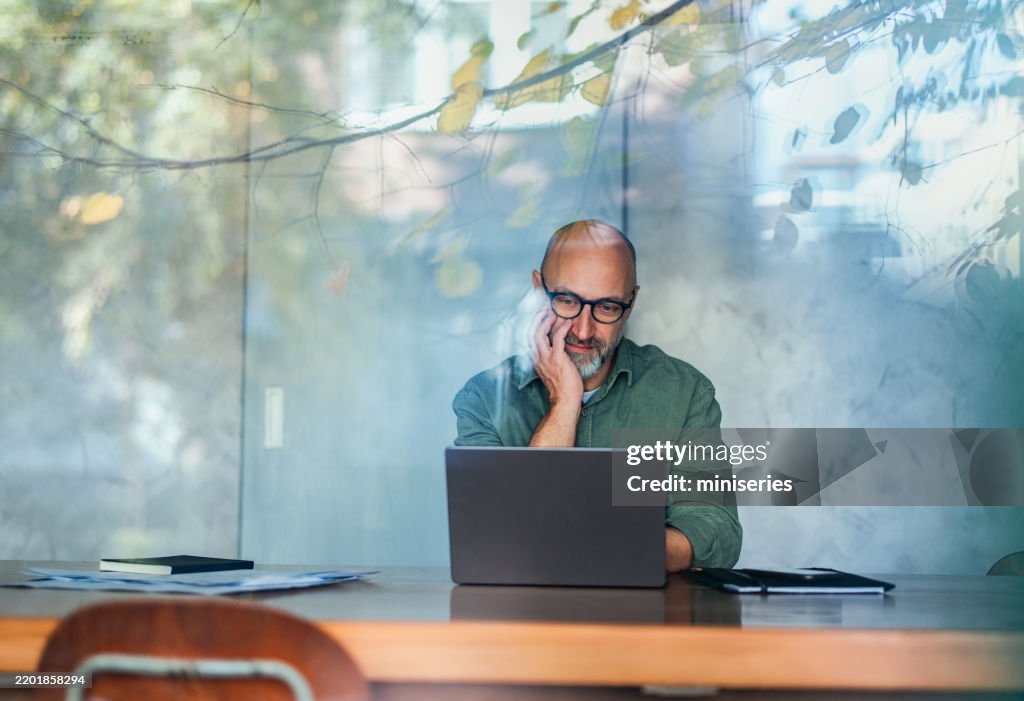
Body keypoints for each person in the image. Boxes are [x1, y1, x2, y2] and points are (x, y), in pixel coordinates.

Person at [452, 219, 741, 570]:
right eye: (567, 301)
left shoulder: (685, 392)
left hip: (646, 619)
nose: (584, 330)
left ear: (630, 304)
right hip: (523, 616)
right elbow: (498, 542)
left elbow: (715, 529)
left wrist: (603, 546)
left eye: (606, 307)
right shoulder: (483, 400)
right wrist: (565, 402)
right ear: (537, 291)